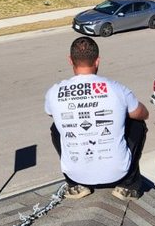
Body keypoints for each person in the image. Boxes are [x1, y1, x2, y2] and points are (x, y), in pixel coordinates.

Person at [44, 36, 148, 200]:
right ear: (97, 61)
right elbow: (143, 114)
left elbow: (51, 113)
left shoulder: (54, 91)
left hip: (76, 174)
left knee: (56, 126)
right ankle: (128, 186)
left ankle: (75, 186)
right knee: (138, 123)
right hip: (118, 173)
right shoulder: (116, 88)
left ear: (70, 60)